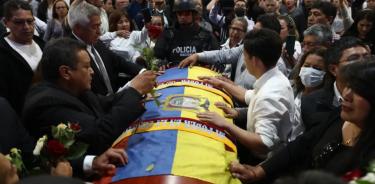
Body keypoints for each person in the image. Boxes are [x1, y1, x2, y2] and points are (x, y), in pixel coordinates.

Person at [228, 37, 372, 183]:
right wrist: (258, 171)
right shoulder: (337, 115)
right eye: (348, 86)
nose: (346, 95)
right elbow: (302, 144)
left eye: (358, 90)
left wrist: (227, 125)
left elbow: (265, 141)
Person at [22, 38, 156, 155]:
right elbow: (100, 134)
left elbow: (105, 102)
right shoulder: (47, 104)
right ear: (66, 72)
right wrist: (134, 91)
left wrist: (135, 94)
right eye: (86, 67)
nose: (92, 72)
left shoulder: (74, 88)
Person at [197, 28, 294, 161]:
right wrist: (223, 84)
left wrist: (225, 124)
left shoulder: (269, 95)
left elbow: (264, 143)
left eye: (244, 55)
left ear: (254, 60)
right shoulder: (275, 78)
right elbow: (249, 95)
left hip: (262, 161)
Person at [178, 14, 281, 90]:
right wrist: (197, 56)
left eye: (256, 32)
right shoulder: (245, 47)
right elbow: (223, 54)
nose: (251, 34)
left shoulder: (276, 65)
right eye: (252, 30)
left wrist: (237, 114)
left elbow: (257, 101)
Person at [67, 0, 144, 96]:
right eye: (94, 27)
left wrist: (142, 71)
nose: (99, 32)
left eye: (99, 26)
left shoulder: (96, 41)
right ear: (78, 28)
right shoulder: (69, 54)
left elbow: (117, 61)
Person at [0, 0, 44, 115]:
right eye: (18, 22)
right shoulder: (3, 53)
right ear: (6, 22)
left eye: (30, 21)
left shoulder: (42, 44)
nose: (26, 27)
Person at [154, 0, 219, 68]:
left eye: (187, 14)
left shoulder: (207, 36)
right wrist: (160, 62)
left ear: (193, 15)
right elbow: (155, 58)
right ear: (176, 15)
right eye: (180, 14)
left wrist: (216, 65)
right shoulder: (167, 34)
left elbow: (217, 58)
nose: (183, 17)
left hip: (199, 75)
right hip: (173, 75)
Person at [290, 47, 328, 141]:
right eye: (306, 66)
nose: (310, 71)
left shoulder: (326, 103)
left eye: (317, 68)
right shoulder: (291, 88)